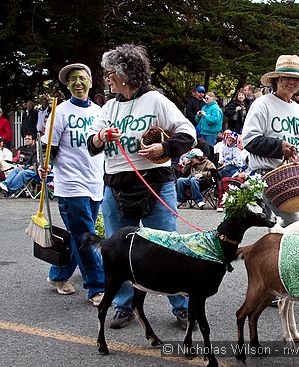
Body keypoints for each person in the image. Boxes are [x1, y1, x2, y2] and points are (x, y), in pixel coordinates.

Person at [87, 44, 196, 330]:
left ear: (126, 74)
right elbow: (91, 144)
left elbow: (189, 133)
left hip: (155, 183)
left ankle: (182, 306)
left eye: (111, 73)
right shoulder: (109, 107)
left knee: (169, 247)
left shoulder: (156, 101)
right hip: (116, 187)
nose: (107, 78)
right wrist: (100, 136)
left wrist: (165, 147)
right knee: (117, 250)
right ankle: (123, 305)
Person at [39, 63, 105, 305]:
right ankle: (97, 287)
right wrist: (43, 165)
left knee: (79, 235)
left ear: (90, 82)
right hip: (70, 184)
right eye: (73, 79)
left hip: (95, 182)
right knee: (86, 235)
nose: (78, 83)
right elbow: (48, 148)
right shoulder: (60, 112)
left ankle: (59, 274)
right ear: (67, 85)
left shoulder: (100, 111)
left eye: (82, 78)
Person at [242, 54, 299, 228]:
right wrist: (279, 147)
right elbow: (249, 140)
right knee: (291, 226)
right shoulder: (262, 104)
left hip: (291, 177)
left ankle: (271, 254)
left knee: (282, 230)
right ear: (276, 79)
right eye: (287, 77)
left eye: (296, 79)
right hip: (266, 175)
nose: (292, 82)